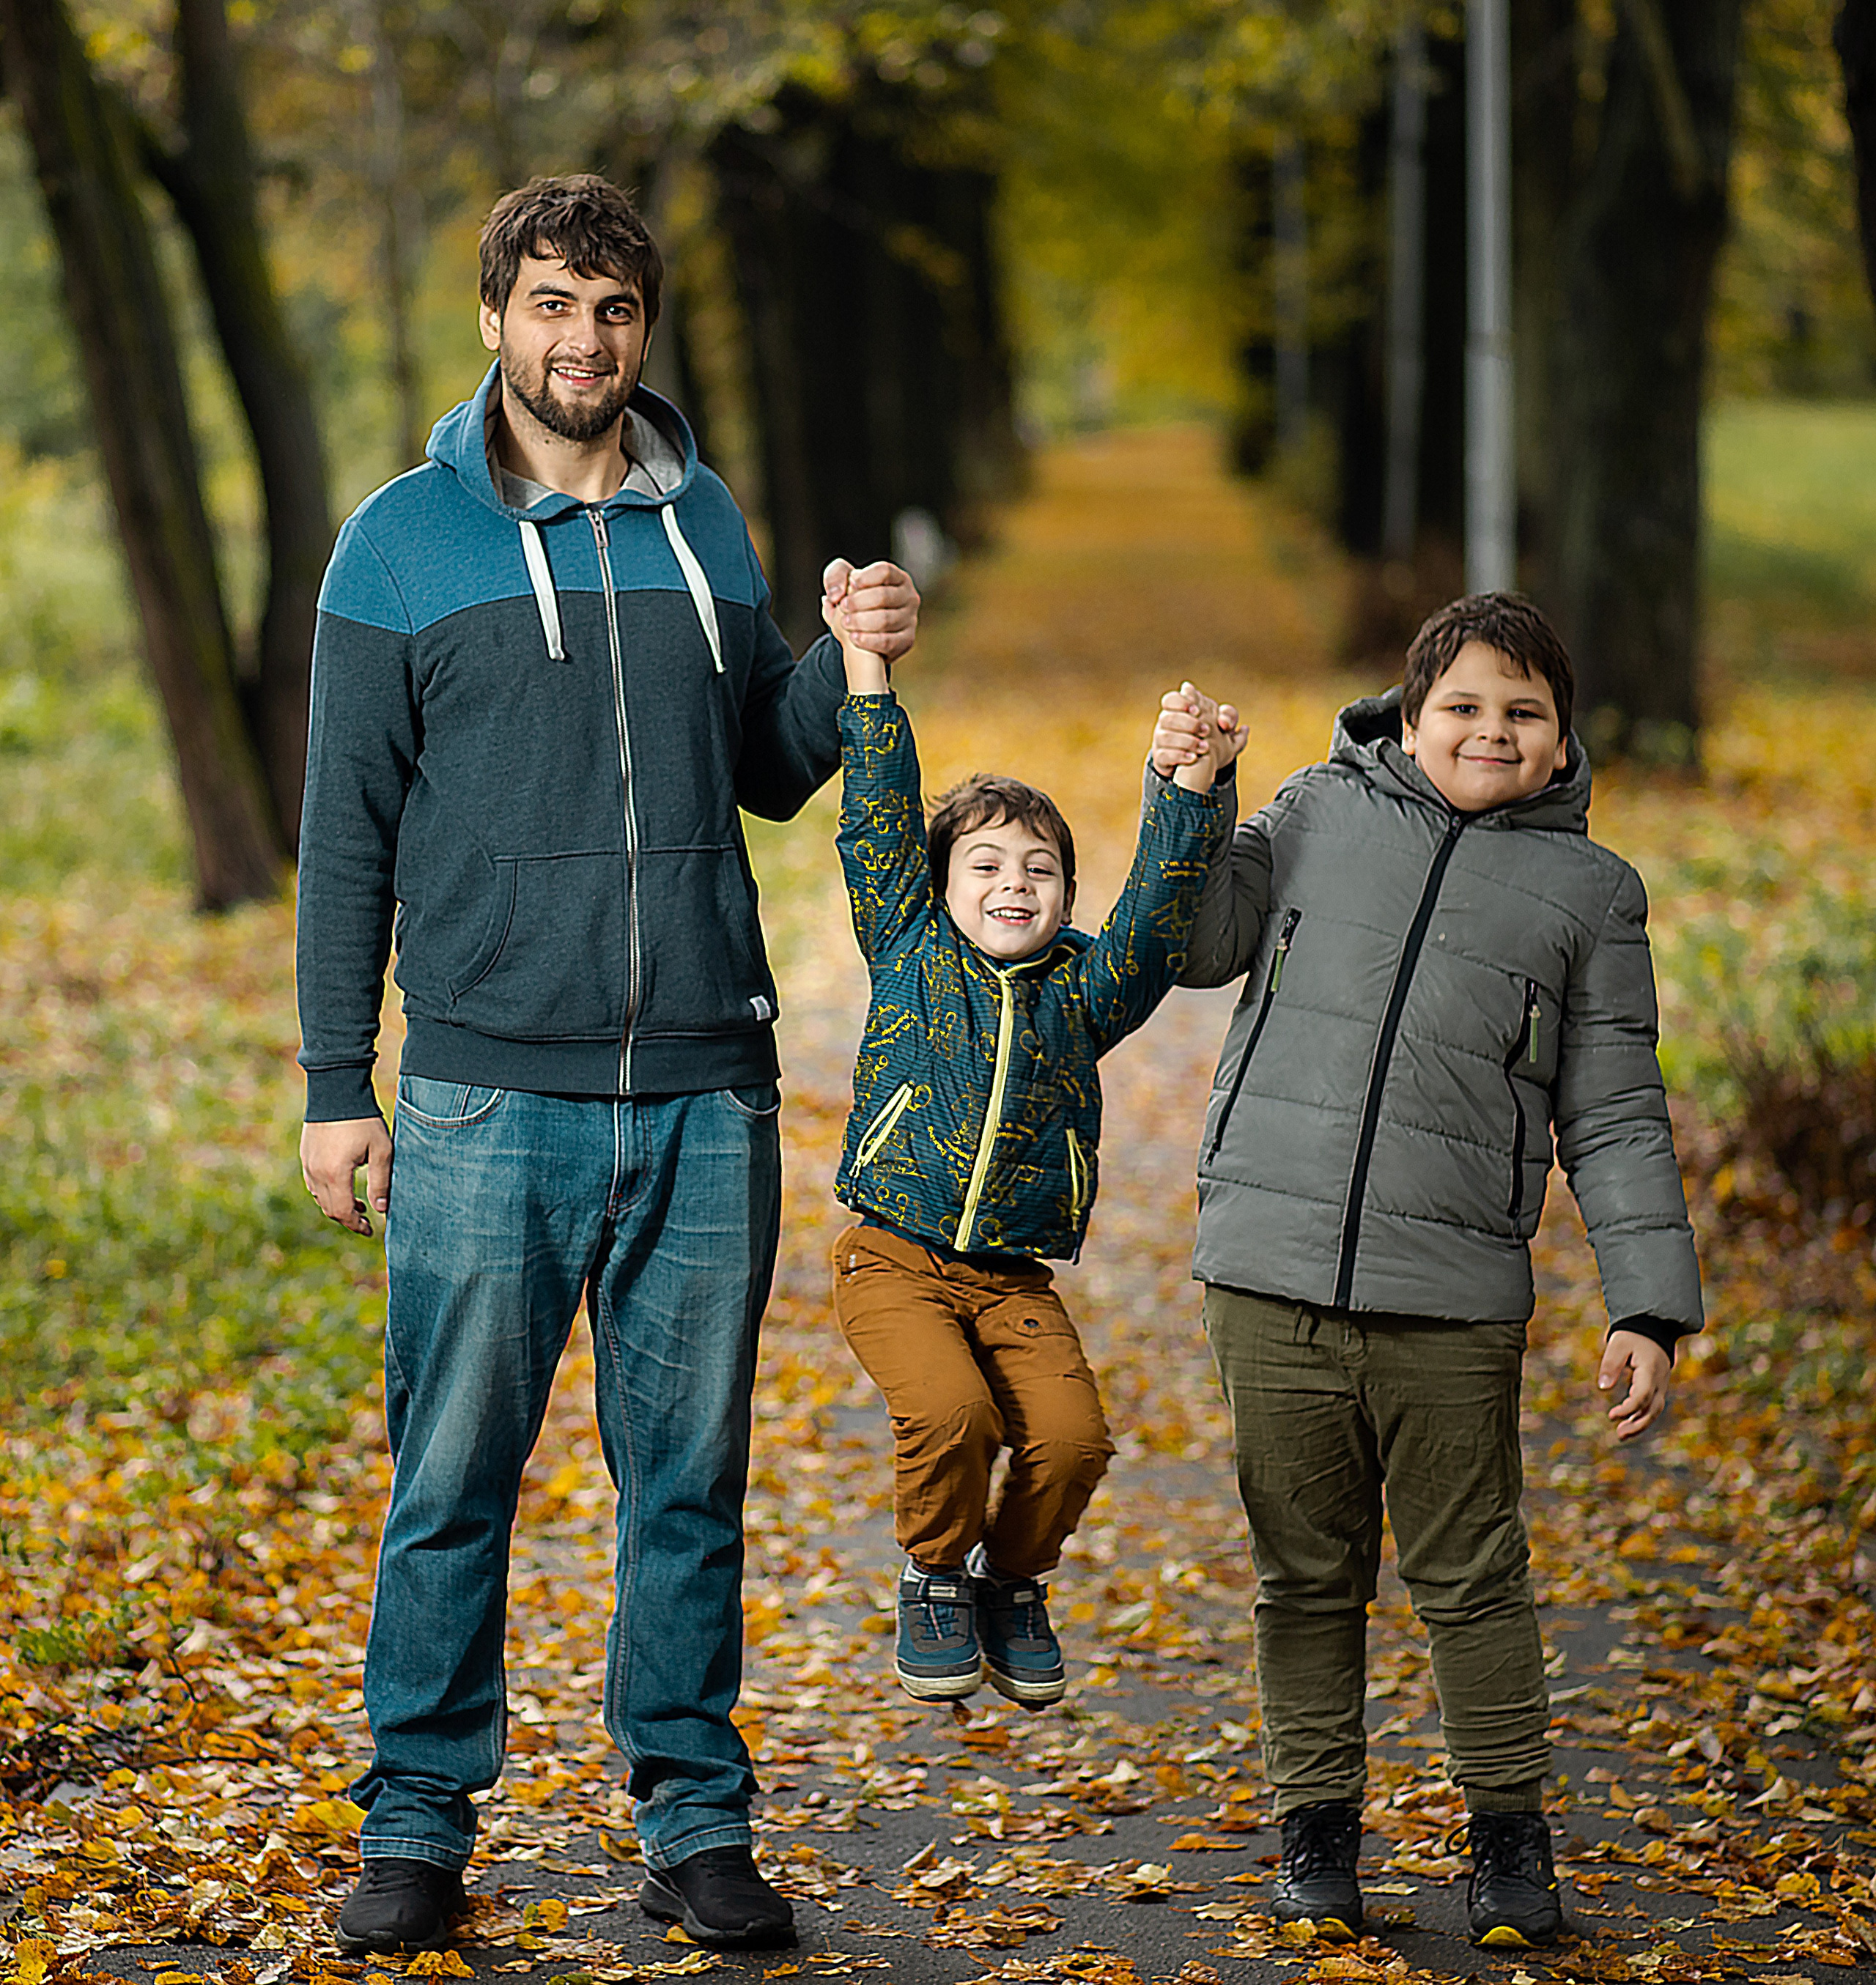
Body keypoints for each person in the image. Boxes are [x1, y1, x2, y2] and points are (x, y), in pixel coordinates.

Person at [295, 174, 919, 1957]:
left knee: (688, 1485)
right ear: (493, 316)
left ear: (645, 330)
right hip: (486, 1091)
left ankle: (693, 1818)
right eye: (553, 304)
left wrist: (850, 668)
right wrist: (340, 1078)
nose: (585, 340)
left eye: (615, 310)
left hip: (707, 1092)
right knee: (448, 1486)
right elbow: (343, 837)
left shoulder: (701, 517)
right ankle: (414, 1825)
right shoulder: (397, 544)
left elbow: (767, 763)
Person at [1153, 593, 1702, 1951]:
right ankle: (1316, 1833)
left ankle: (1509, 1841)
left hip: (1451, 1298)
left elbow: (1619, 1111)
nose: (1490, 732)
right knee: (1304, 1573)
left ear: (1565, 734)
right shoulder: (1314, 812)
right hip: (1269, 1271)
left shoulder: (1591, 894)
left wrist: (1646, 1301)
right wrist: (1188, 796)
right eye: (1462, 705)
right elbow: (1194, 941)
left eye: (1523, 712)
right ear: (1410, 713)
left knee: (1471, 1576)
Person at [823, 580, 1239, 1708]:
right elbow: (876, 810)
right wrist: (869, 672)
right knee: (952, 1415)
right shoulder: (910, 947)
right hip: (894, 1258)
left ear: (1065, 893)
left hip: (1014, 1276)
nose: (1016, 884)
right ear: (941, 883)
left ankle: (1011, 1579)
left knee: (1072, 1441)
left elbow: (1159, 917)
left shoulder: (1083, 991)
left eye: (1041, 869)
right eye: (989, 866)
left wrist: (1190, 784)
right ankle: (933, 1573)